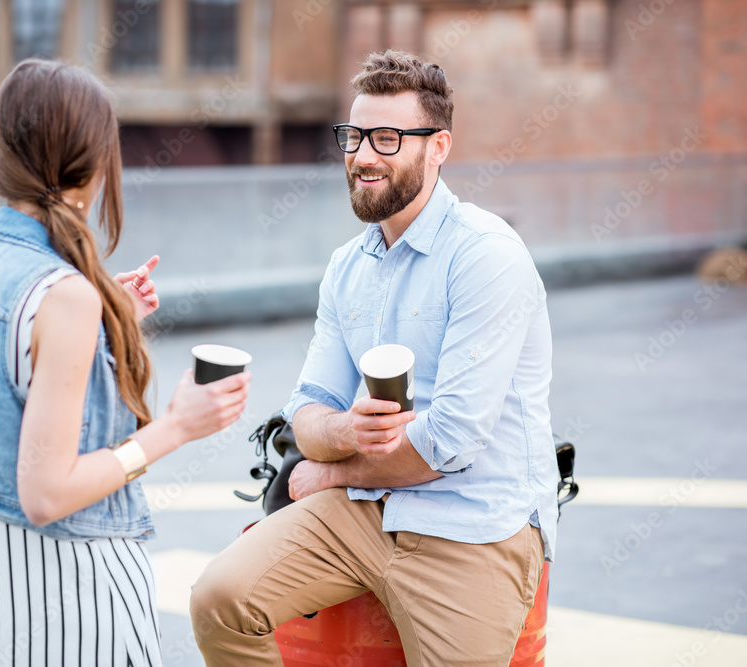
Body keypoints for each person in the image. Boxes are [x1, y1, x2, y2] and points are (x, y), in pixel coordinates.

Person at [190, 50, 558, 666]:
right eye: (353, 136)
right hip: (362, 515)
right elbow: (307, 410)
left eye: (387, 138)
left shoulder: (486, 256)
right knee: (219, 600)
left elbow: (451, 443)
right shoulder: (347, 266)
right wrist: (341, 429)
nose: (362, 156)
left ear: (438, 147)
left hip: (473, 525)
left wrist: (331, 470)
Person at [0, 59, 250, 667]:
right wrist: (176, 425)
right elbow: (46, 494)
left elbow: (0, 390)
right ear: (94, 163)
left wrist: (102, 323)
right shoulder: (65, 296)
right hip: (59, 597)